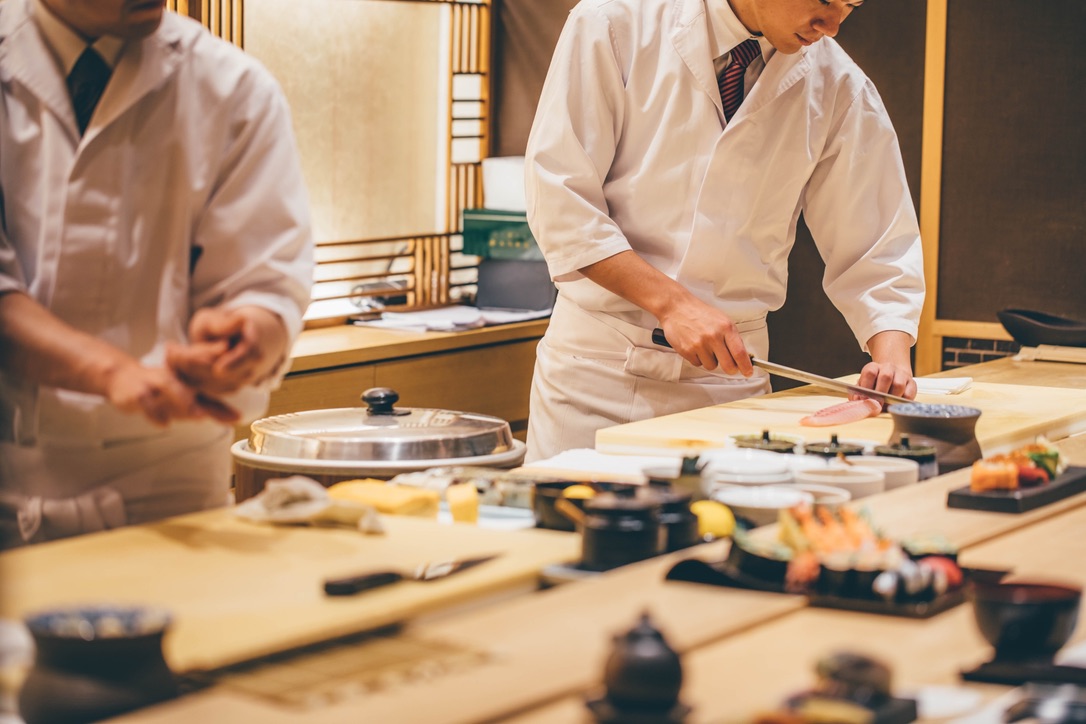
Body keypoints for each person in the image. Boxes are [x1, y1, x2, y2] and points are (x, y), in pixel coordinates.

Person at [523, 0, 925, 461]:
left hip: (729, 386)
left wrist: (891, 358)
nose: (832, 25)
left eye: (850, 5)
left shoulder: (839, 85)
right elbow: (561, 198)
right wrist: (671, 304)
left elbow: (878, 242)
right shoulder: (612, 23)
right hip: (596, 373)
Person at [0, 0, 314, 544]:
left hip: (169, 495)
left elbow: (267, 279)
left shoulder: (236, 89)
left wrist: (246, 337)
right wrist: (114, 374)